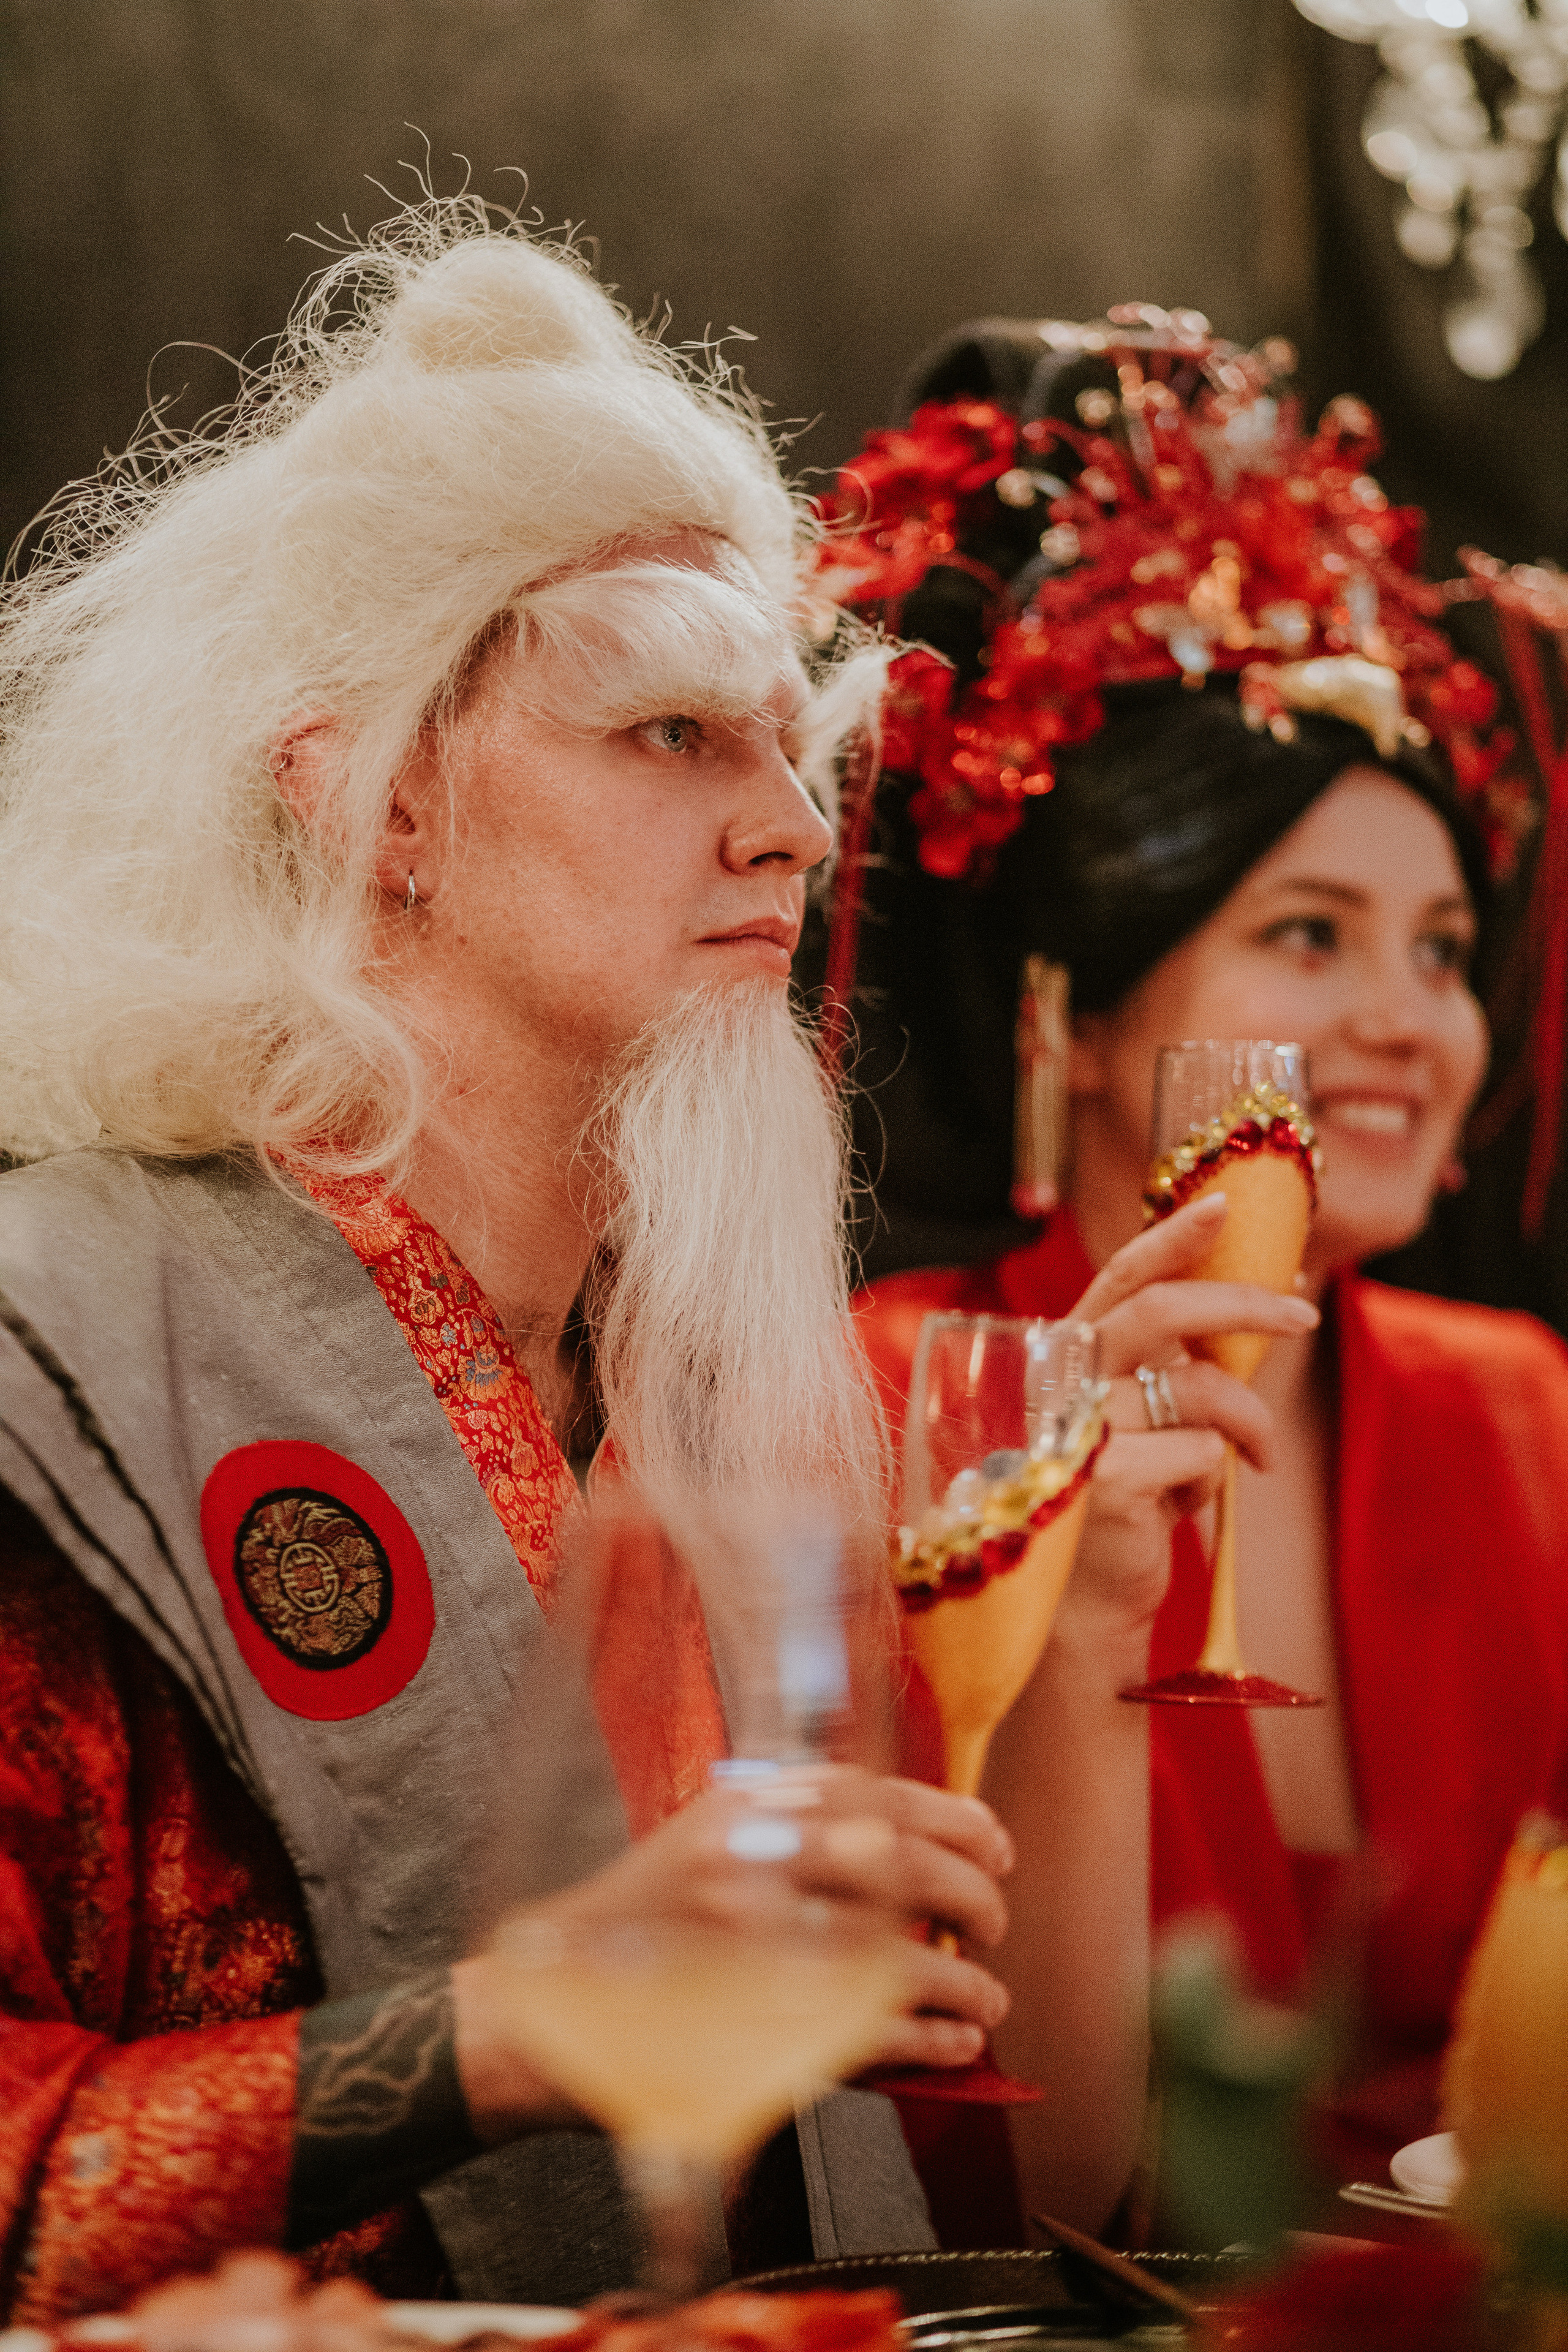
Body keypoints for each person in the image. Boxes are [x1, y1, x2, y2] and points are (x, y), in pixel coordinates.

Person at [0, 202, 1036, 2321]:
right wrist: (507, 2028)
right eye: (674, 735)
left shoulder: (700, 1376)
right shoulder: (62, 1352)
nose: (793, 828)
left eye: (785, 743)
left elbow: (955, 2204)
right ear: (373, 799)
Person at [825, 311, 1568, 2228]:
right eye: (1310, 938)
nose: (1408, 1021)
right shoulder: (891, 1397)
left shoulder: (1516, 1407)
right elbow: (934, 2158)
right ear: (1069, 1018)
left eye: (1437, 949)